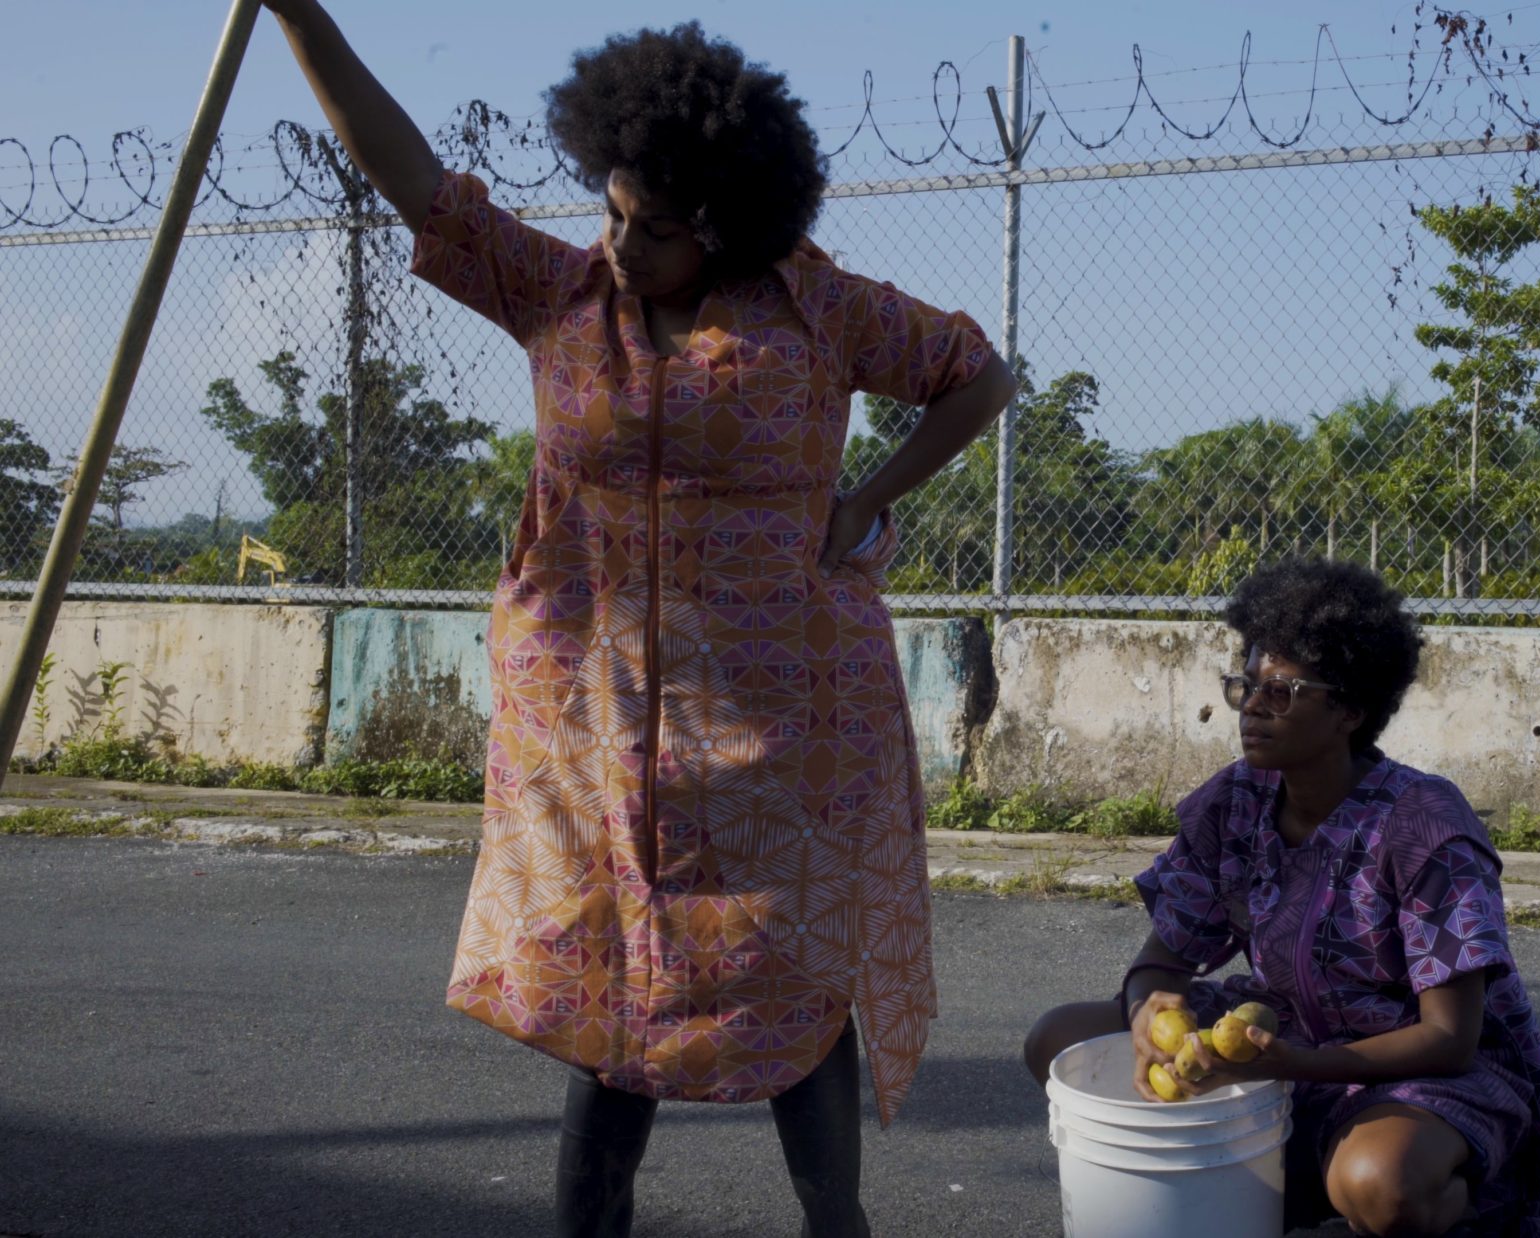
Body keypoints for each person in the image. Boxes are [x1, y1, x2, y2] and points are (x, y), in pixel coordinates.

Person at [258, 6, 1017, 1235]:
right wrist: (303, 17)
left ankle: (840, 1225)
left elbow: (978, 372)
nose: (620, 244)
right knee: (616, 987)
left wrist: (867, 495)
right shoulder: (559, 298)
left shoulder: (816, 312)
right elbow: (408, 173)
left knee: (790, 976)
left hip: (787, 718)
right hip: (594, 720)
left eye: (656, 228)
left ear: (729, 219)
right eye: (611, 211)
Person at [1024, 559, 1540, 1237]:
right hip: (1282, 1034)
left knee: (1383, 1186)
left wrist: (1298, 1066)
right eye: (1246, 686)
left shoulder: (1423, 826)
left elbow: (1449, 1039)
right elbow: (1162, 963)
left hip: (1409, 1064)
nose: (1254, 707)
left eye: (1283, 692)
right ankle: (1275, 1185)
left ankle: (1483, 1197)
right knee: (1060, 1039)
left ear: (1350, 709)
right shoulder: (1234, 804)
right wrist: (1149, 1007)